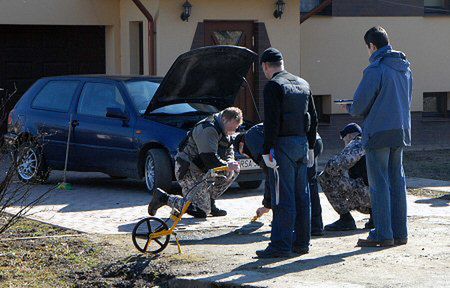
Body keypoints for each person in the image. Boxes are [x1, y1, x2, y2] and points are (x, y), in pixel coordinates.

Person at [348, 26, 412, 247]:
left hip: (379, 132)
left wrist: (351, 106)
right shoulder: (404, 67)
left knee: (379, 184)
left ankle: (383, 234)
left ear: (372, 46)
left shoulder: (375, 69)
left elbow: (358, 106)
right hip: (401, 130)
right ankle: (400, 233)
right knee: (397, 181)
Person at [256, 48, 318, 258]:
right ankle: (302, 243)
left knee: (283, 197)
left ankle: (280, 246)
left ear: (265, 66)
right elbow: (313, 118)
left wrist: (266, 150)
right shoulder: (303, 83)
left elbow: (271, 122)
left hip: (283, 146)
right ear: (282, 63)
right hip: (302, 143)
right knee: (303, 195)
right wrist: (310, 146)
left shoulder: (273, 86)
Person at [147, 107, 242, 218]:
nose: (234, 131)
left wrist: (230, 162)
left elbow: (228, 150)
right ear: (225, 119)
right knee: (201, 210)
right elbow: (209, 158)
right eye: (234, 126)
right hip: (188, 170)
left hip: (205, 170)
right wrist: (226, 165)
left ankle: (210, 202)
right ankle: (163, 198)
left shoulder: (225, 128)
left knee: (233, 171)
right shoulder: (208, 129)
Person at [240, 125, 324, 236]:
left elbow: (271, 173)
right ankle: (314, 226)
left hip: (300, 143)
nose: (247, 156)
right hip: (314, 140)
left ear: (241, 145)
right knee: (309, 185)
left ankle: (291, 226)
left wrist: (267, 204)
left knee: (292, 186)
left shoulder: (250, 137)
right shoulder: (258, 131)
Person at [318, 123, 373, 231]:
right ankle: (375, 219)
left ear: (348, 136)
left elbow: (334, 166)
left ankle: (346, 219)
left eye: (343, 139)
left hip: (369, 196)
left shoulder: (357, 144)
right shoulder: (369, 141)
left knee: (325, 177)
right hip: (381, 198)